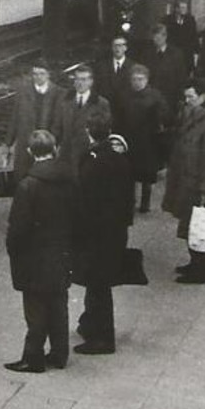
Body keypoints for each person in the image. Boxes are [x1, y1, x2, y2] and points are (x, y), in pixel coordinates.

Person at [4, 130, 75, 373]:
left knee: (35, 308)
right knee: (58, 304)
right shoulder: (68, 178)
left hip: (34, 257)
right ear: (54, 149)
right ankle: (59, 354)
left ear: (31, 152)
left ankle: (32, 358)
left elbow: (18, 229)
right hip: (62, 253)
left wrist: (13, 251)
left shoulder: (28, 185)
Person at [74, 110, 134, 355]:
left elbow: (86, 201)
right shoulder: (118, 159)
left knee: (98, 284)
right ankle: (89, 324)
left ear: (89, 132)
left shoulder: (94, 161)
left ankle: (103, 338)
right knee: (97, 282)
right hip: (114, 231)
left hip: (97, 233)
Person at [162, 82, 205, 285]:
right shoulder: (193, 113)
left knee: (200, 227)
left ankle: (201, 272)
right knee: (190, 225)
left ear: (203, 96)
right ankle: (194, 263)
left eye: (191, 97)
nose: (187, 101)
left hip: (198, 185)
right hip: (186, 181)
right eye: (186, 97)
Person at [4, 63, 69, 183]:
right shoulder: (23, 92)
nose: (38, 77)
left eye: (41, 74)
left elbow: (60, 122)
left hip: (47, 146)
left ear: (48, 75)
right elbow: (15, 118)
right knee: (22, 179)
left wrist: (55, 143)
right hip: (25, 145)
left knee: (46, 180)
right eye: (35, 74)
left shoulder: (60, 93)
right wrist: (8, 144)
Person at [122, 64, 167, 214]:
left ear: (147, 80)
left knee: (147, 174)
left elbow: (164, 115)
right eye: (134, 79)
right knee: (129, 173)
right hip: (129, 139)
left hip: (148, 140)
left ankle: (145, 202)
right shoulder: (125, 95)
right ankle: (130, 201)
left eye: (140, 79)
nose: (137, 82)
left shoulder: (155, 96)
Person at [60, 65, 110, 174]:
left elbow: (103, 134)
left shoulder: (101, 103)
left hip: (87, 156)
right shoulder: (65, 100)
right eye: (77, 79)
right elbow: (57, 126)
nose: (79, 83)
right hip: (66, 156)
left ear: (91, 82)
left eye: (83, 79)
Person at [94, 35, 138, 131]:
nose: (118, 48)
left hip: (126, 113)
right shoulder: (101, 66)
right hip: (106, 112)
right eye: (115, 45)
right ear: (112, 48)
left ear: (126, 48)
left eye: (121, 45)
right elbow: (96, 88)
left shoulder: (133, 67)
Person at [145, 23, 189, 113]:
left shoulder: (176, 54)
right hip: (151, 98)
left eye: (160, 37)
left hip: (170, 98)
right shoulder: (147, 54)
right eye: (155, 37)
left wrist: (180, 98)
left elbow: (181, 77)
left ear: (165, 37)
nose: (158, 40)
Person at [165, 0, 199, 72]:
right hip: (173, 54)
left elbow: (194, 36)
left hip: (187, 55)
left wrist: (196, 52)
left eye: (185, 8)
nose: (185, 10)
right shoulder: (167, 20)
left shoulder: (190, 19)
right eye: (182, 8)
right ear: (176, 9)